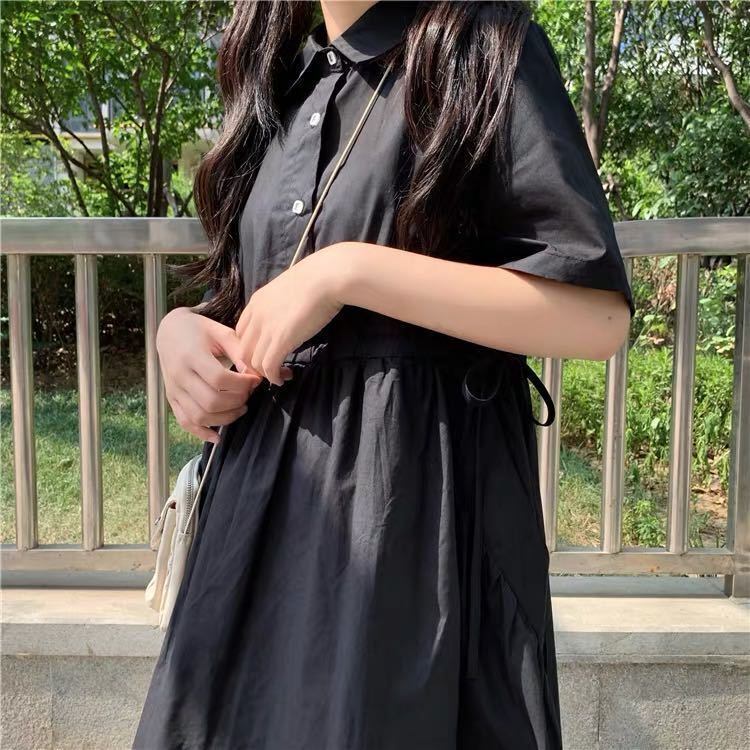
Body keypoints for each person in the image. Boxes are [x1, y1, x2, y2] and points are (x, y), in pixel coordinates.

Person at [133, 1, 635, 748]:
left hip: (409, 530)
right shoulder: (285, 79)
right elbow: (254, 296)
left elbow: (593, 317)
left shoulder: (482, 49)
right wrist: (179, 335)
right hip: (259, 533)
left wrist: (350, 273)